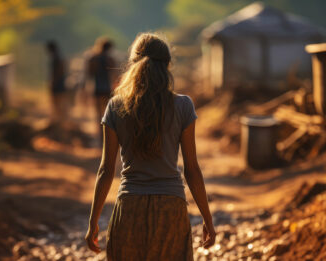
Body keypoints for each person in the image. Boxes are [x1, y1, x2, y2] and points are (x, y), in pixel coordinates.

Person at [85, 33, 216, 260]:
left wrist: (93, 223)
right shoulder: (183, 106)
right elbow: (192, 170)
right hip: (171, 207)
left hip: (129, 208)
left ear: (133, 64)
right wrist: (208, 220)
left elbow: (106, 170)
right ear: (167, 65)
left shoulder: (115, 107)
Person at [86, 37, 117, 141]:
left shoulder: (94, 58)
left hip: (97, 88)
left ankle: (99, 137)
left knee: (98, 114)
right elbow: (114, 74)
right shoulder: (110, 59)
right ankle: (106, 137)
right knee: (107, 115)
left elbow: (90, 73)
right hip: (107, 89)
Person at [45, 40, 66, 123]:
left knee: (57, 103)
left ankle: (58, 120)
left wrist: (53, 82)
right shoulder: (59, 56)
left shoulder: (55, 57)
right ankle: (59, 119)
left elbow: (58, 71)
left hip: (57, 84)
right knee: (59, 103)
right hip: (60, 83)